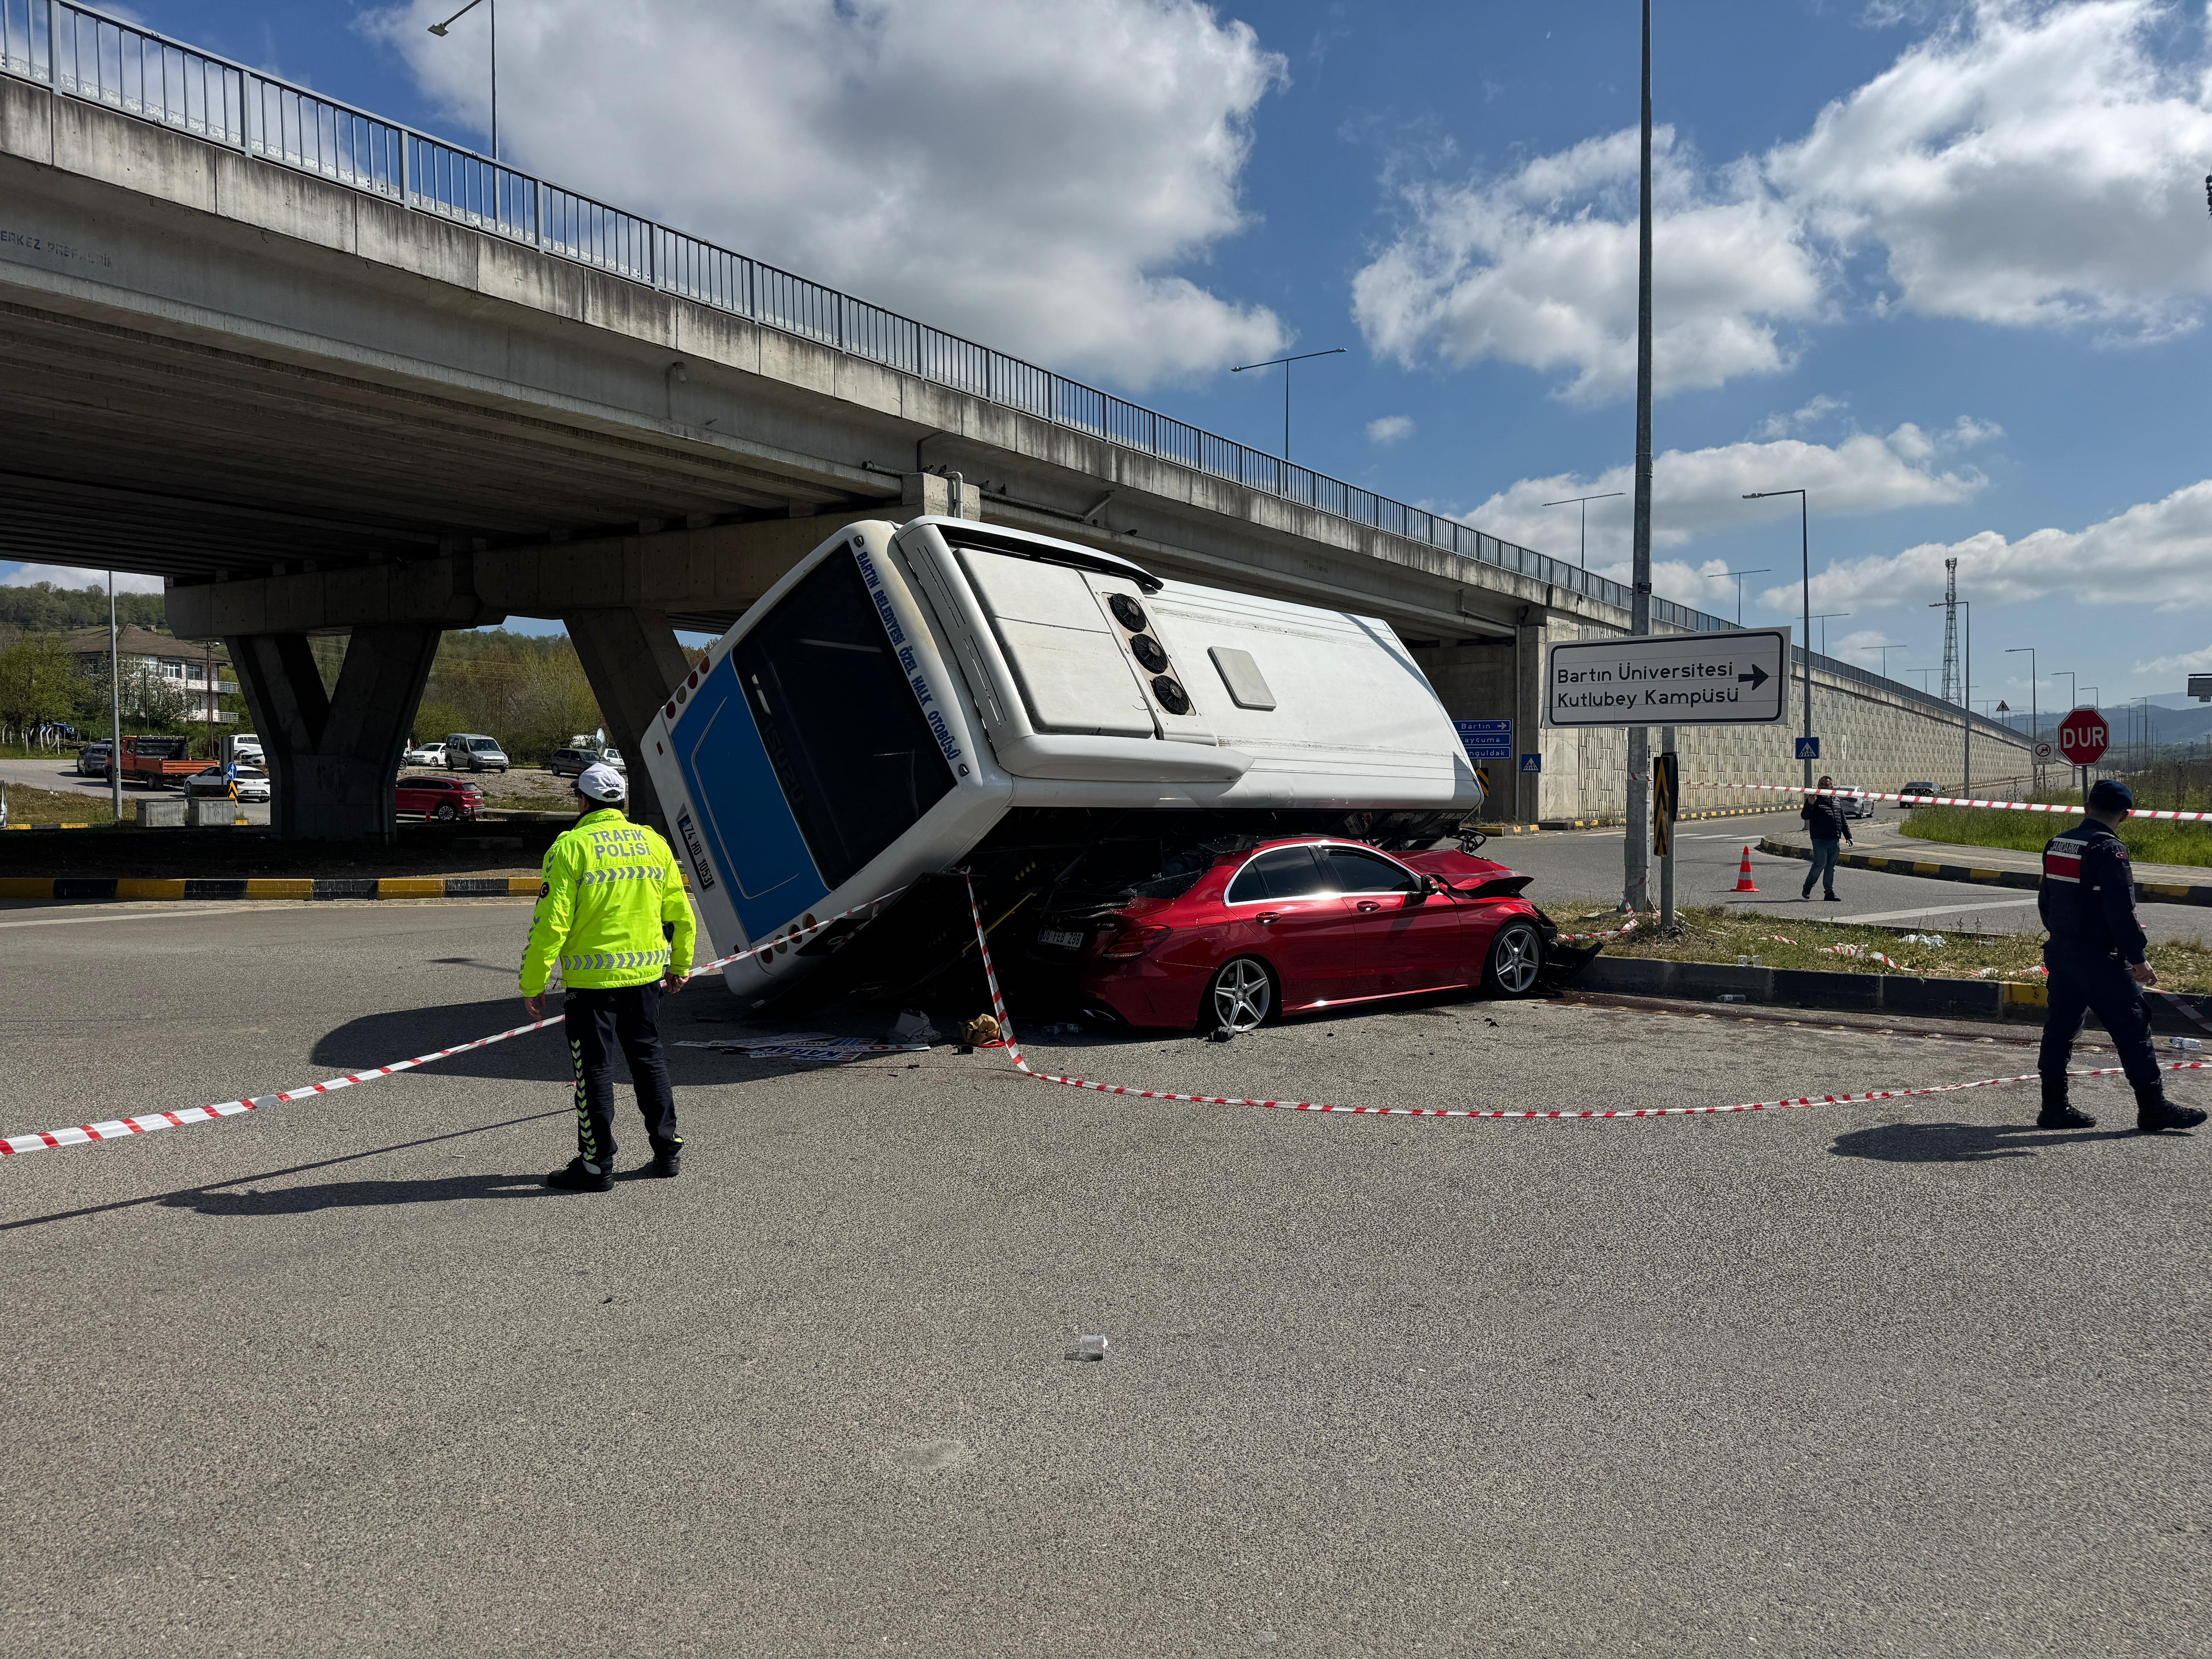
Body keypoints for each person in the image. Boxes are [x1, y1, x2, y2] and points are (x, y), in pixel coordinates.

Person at [520, 762, 699, 1189]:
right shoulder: (652, 843)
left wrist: (533, 982)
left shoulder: (570, 847)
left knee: (594, 1072)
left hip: (592, 987)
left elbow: (551, 924)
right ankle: (667, 1150)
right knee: (648, 1059)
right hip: (644, 980)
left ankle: (597, 1165)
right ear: (620, 801)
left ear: (582, 801)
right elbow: (680, 914)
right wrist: (680, 966)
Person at [2036, 778, 2204, 1133]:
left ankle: (2054, 1107)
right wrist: (2138, 958)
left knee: (2060, 1030)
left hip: (2063, 952)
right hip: (2099, 959)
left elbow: (2047, 899)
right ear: (2124, 816)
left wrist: (2062, 938)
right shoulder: (2109, 850)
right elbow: (2121, 911)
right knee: (2133, 1029)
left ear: (2087, 807)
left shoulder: (2059, 843)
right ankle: (2153, 1109)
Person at [1799, 774, 1852, 902]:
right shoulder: (1814, 800)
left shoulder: (1836, 800)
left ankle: (1829, 892)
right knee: (1820, 864)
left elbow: (1842, 819)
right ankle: (1808, 886)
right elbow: (1805, 816)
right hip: (1819, 839)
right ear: (1818, 786)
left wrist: (1848, 836)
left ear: (1832, 786)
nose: (1823, 786)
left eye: (1826, 784)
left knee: (1830, 867)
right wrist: (1810, 804)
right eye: (1821, 784)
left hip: (1834, 839)